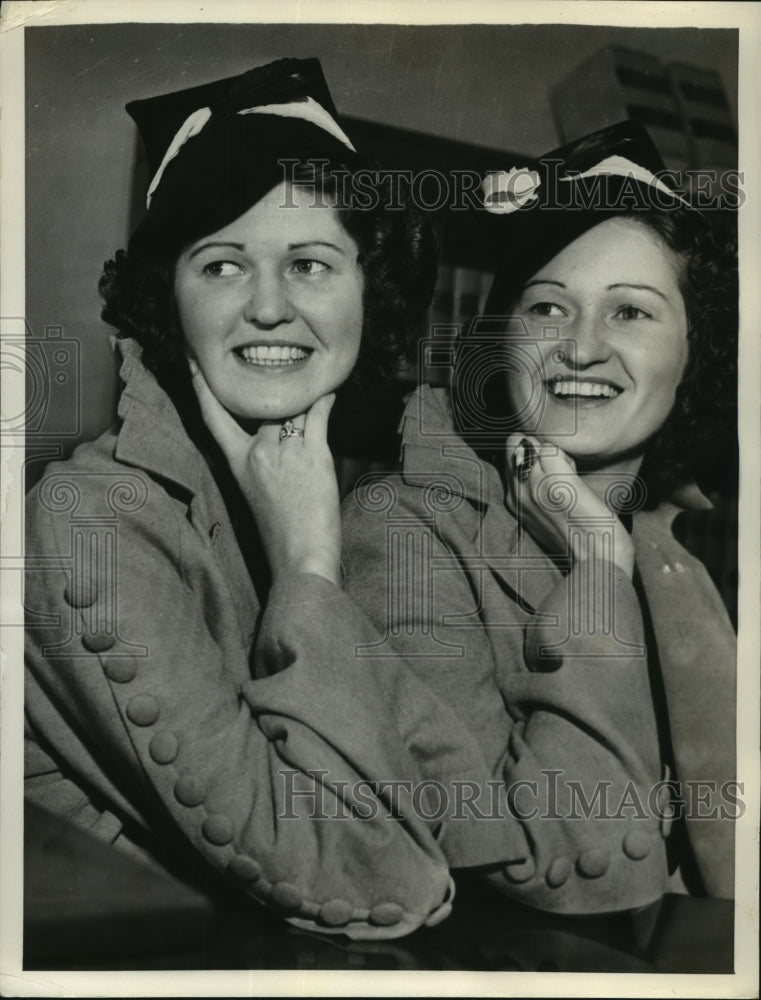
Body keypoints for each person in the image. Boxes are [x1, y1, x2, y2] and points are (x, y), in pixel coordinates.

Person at [23, 57, 515, 941]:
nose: (267, 306)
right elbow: (380, 878)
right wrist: (308, 570)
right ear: (167, 305)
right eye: (220, 266)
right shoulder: (86, 519)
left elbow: (470, 825)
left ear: (372, 294)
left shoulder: (323, 497)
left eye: (311, 263)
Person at [342, 121, 738, 909]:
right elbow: (540, 871)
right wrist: (595, 573)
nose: (581, 349)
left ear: (696, 351)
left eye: (630, 313)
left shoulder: (673, 553)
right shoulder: (401, 532)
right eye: (549, 308)